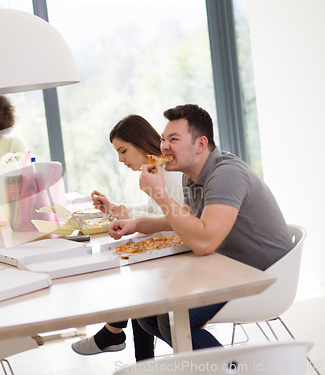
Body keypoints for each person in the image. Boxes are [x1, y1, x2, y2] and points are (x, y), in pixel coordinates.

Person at [107, 104, 293, 352]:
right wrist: (138, 224)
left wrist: (160, 193)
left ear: (200, 144)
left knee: (172, 321)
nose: (163, 146)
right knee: (148, 317)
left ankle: (233, 369)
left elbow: (204, 242)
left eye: (174, 139)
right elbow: (187, 220)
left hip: (262, 277)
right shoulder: (191, 176)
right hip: (229, 268)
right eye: (163, 139)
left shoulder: (226, 174)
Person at [72, 115, 183, 361]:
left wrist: (131, 221)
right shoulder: (157, 168)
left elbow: (177, 220)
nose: (120, 160)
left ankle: (115, 335)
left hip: (182, 254)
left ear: (141, 142)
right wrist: (114, 209)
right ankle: (125, 344)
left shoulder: (171, 172)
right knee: (132, 271)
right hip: (171, 249)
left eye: (123, 151)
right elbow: (155, 211)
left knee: (133, 275)